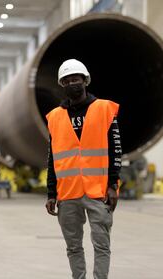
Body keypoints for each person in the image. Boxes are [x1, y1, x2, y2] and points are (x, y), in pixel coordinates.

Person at [45, 59, 122, 279]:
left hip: (98, 192)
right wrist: (52, 193)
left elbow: (116, 151)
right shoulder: (55, 117)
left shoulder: (104, 109)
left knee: (101, 245)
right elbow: (52, 159)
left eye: (75, 79)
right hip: (68, 193)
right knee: (73, 247)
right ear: (62, 84)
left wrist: (113, 185)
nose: (72, 83)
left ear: (85, 80)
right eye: (67, 80)